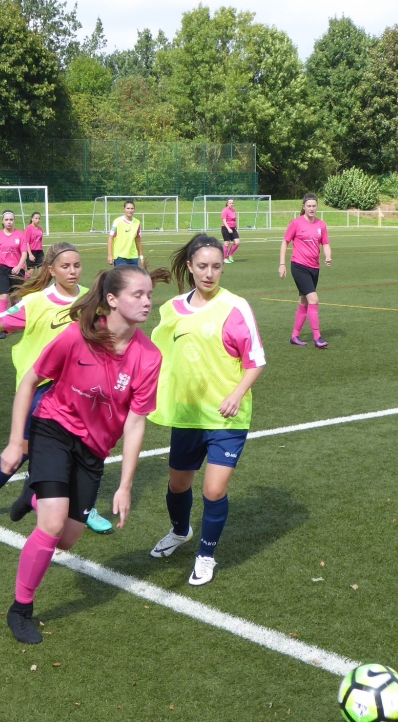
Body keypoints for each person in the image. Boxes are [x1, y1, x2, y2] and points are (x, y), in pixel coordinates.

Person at [3, 265, 167, 644]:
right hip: (54, 427)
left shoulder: (149, 357)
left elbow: (135, 423)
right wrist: (14, 442)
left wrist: (125, 485)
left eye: (149, 295)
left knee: (66, 540)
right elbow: (30, 381)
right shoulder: (77, 335)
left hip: (94, 449)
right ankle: (21, 609)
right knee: (52, 524)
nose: (147, 302)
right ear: (112, 300)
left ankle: (34, 494)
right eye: (138, 295)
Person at [0, 243, 112, 534]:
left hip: (80, 391)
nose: (73, 271)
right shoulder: (36, 302)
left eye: (77, 265)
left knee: (83, 450)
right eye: (65, 266)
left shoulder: (91, 300)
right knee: (24, 449)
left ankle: (83, 507)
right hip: (39, 390)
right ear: (51, 270)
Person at [147, 234, 265, 586]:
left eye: (216, 266)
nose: (209, 273)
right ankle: (180, 532)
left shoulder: (235, 307)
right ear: (190, 267)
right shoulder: (173, 308)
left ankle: (206, 555)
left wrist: (237, 394)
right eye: (202, 266)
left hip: (227, 418)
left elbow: (256, 361)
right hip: (188, 416)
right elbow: (157, 353)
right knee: (178, 484)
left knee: (213, 491)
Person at [278, 193, 332, 348]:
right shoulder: (296, 223)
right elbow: (285, 242)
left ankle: (295, 336)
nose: (311, 208)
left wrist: (328, 256)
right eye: (309, 206)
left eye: (314, 206)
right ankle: (317, 337)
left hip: (314, 268)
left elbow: (325, 243)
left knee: (304, 301)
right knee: (313, 299)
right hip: (299, 266)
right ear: (304, 207)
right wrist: (282, 264)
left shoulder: (321, 225)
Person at [0, 211, 28, 339]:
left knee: (14, 299)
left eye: (11, 219)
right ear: (2, 221)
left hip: (17, 270)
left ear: (14, 221)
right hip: (2, 269)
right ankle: (2, 326)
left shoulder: (21, 235)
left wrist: (19, 266)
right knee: (3, 297)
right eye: (6, 219)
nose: (9, 222)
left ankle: (16, 322)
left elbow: (24, 253)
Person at [107, 200, 144, 267]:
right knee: (121, 274)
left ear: (134, 209)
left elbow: (138, 241)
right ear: (124, 209)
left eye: (132, 208)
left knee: (134, 274)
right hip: (120, 257)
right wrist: (110, 255)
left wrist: (141, 256)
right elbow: (110, 238)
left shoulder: (137, 222)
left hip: (133, 257)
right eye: (128, 208)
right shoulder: (117, 221)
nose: (130, 210)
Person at [25, 212, 44, 279]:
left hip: (39, 251)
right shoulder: (29, 228)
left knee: (42, 269)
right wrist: (30, 254)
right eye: (36, 218)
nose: (37, 220)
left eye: (39, 218)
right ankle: (20, 282)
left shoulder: (40, 229)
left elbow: (40, 241)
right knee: (31, 271)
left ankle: (40, 284)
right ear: (32, 219)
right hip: (31, 251)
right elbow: (27, 242)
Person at [221, 198, 240, 264]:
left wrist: (237, 228)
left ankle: (230, 255)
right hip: (226, 228)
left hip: (233, 228)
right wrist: (228, 228)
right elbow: (224, 220)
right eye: (230, 203)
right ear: (227, 203)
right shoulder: (225, 210)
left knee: (237, 242)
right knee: (227, 243)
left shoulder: (233, 211)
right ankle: (224, 258)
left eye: (232, 203)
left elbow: (235, 220)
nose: (231, 204)